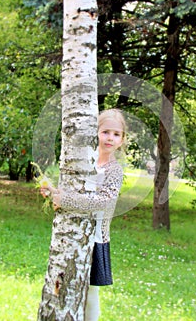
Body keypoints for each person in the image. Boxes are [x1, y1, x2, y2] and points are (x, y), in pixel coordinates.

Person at [41, 109, 127, 321]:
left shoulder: (114, 170)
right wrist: (54, 192)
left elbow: (105, 202)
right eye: (105, 131)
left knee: (90, 292)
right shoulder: (84, 161)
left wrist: (68, 201)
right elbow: (72, 189)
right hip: (72, 232)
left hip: (95, 237)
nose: (110, 138)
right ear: (95, 132)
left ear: (122, 139)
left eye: (116, 134)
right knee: (66, 285)